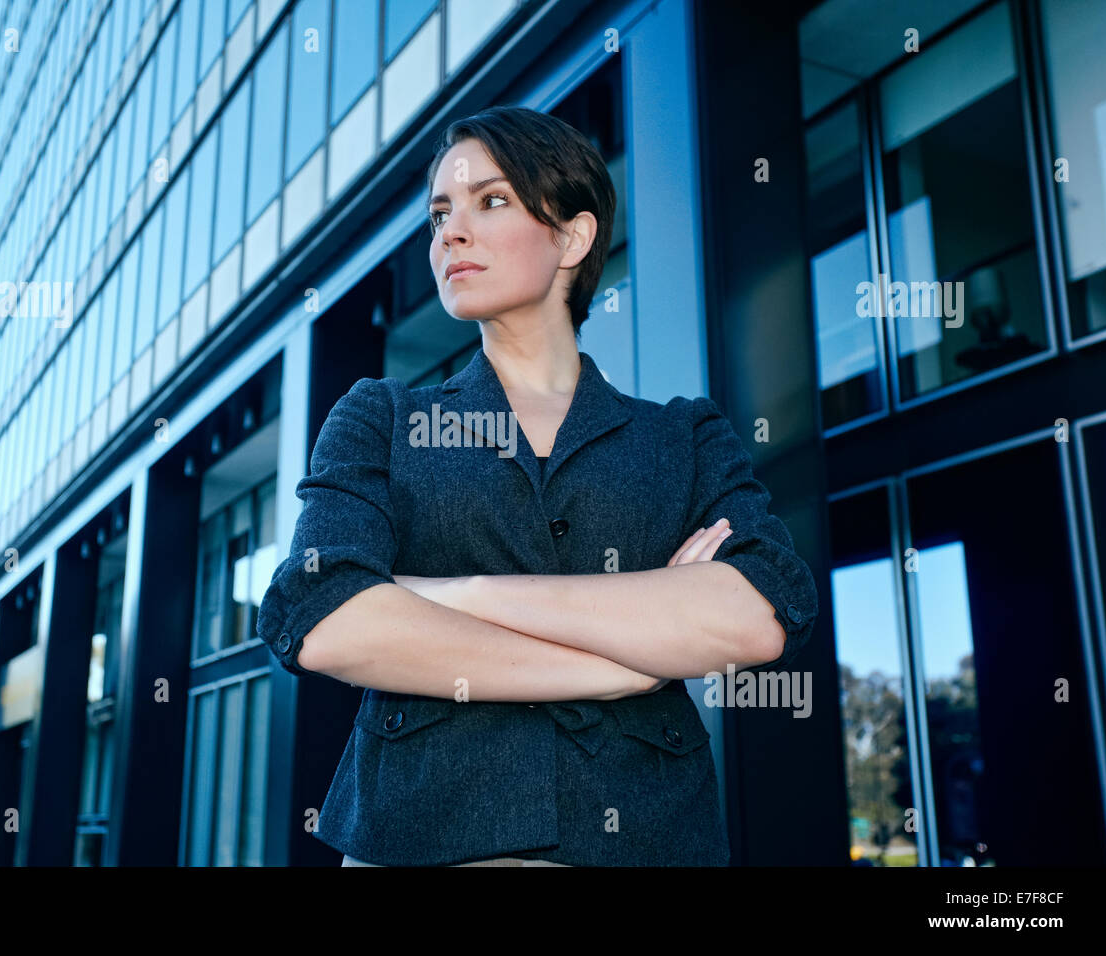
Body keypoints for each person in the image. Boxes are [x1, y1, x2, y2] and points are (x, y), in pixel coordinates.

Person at [257, 105, 819, 866]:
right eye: (440, 212)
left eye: (491, 201)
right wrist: (629, 661)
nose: (450, 232)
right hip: (422, 840)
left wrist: (462, 593)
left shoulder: (683, 434)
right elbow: (324, 617)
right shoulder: (379, 416)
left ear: (573, 235)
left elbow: (759, 612)